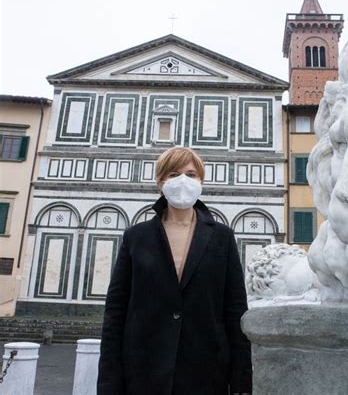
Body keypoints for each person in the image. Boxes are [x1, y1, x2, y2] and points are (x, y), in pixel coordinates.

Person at [97, 147, 252, 395]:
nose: (183, 181)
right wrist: (108, 385)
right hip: (143, 374)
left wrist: (242, 385)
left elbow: (235, 312)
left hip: (207, 374)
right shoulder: (136, 237)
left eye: (191, 174)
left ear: (201, 181)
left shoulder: (222, 237)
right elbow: (115, 313)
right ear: (160, 182)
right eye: (173, 173)